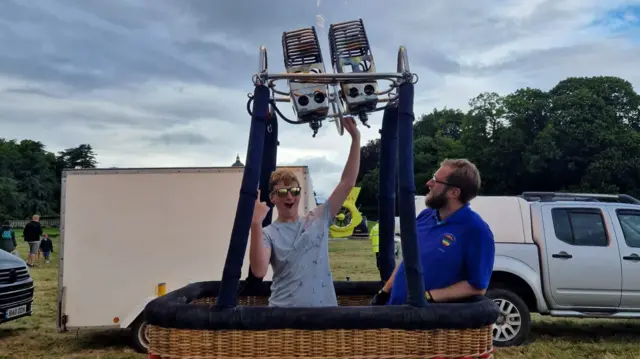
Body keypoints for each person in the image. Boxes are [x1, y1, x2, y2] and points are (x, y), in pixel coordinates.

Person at [249, 116, 361, 307]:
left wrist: (356, 139)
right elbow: (259, 271)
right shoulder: (268, 233)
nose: (290, 197)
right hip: (283, 316)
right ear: (273, 197)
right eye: (282, 192)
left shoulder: (318, 218)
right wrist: (255, 223)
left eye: (294, 191)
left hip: (324, 315)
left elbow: (347, 183)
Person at [371, 159, 495, 305]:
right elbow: (408, 260)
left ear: (454, 192)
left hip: (425, 323)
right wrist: (385, 291)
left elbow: (477, 286)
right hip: (394, 313)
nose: (429, 183)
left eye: (436, 180)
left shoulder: (476, 231)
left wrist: (429, 296)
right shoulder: (425, 216)